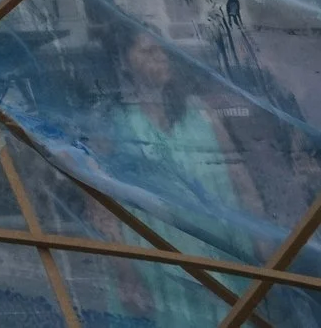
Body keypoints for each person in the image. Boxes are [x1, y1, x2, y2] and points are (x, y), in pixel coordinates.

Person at [105, 32, 260, 326]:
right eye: (147, 52)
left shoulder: (201, 113)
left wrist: (261, 234)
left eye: (163, 51)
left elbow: (239, 176)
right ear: (123, 62)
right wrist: (124, 271)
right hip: (156, 264)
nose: (160, 57)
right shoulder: (115, 122)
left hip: (220, 254)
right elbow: (102, 206)